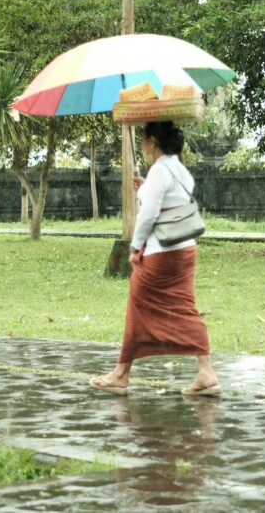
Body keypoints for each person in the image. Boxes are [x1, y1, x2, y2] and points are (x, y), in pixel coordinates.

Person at [90, 120, 221, 397]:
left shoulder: (161, 170)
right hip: (185, 250)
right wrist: (146, 188)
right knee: (184, 306)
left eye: (144, 141)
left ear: (152, 141)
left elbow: (149, 214)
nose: (142, 147)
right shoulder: (179, 170)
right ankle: (206, 371)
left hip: (162, 253)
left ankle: (121, 374)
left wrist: (135, 247)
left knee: (137, 305)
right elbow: (168, 201)